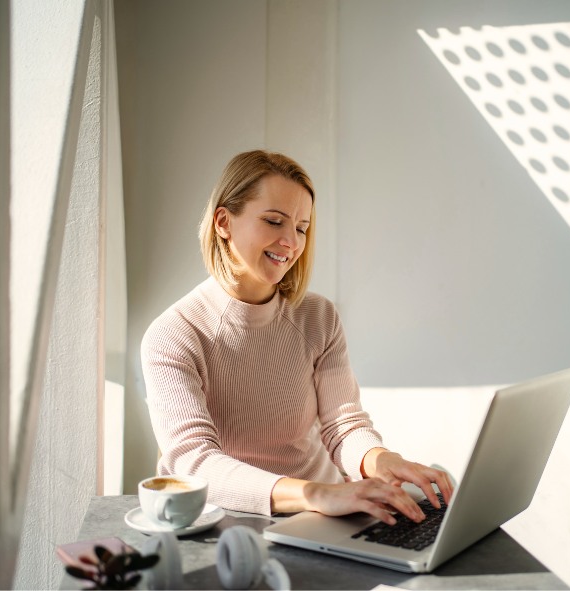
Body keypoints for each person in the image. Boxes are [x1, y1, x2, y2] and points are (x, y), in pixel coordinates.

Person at [141, 149, 453, 526]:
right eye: (274, 221)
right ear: (223, 221)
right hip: (241, 521)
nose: (291, 241)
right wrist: (314, 494)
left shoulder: (317, 317)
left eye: (302, 227)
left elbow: (344, 426)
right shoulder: (173, 335)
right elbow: (196, 464)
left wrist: (382, 461)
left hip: (333, 514)